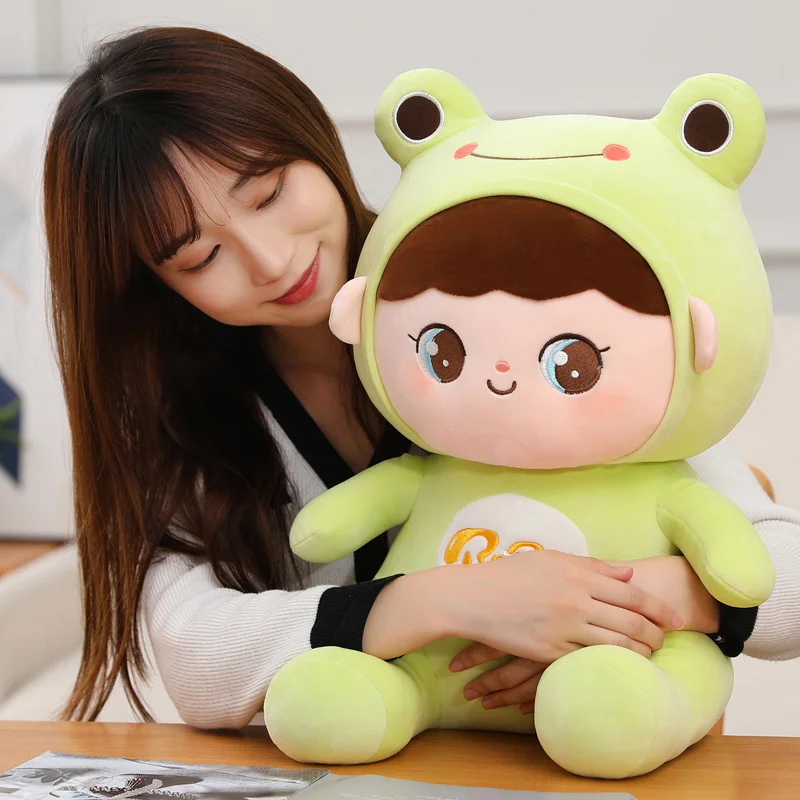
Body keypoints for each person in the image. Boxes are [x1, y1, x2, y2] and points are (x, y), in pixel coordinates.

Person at [43, 26, 800, 728]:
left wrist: (611, 608)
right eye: (200, 257)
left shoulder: (487, 288)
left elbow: (788, 586)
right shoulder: (184, 413)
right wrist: (444, 602)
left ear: (313, 138)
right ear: (153, 285)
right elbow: (194, 654)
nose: (271, 260)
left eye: (269, 193)